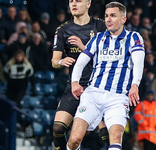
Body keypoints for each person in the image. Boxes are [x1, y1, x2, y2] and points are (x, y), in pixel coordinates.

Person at [67, 2, 145, 150]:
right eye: (106, 16)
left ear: (123, 19)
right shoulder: (98, 38)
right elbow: (80, 63)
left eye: (113, 16)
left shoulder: (134, 37)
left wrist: (135, 84)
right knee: (75, 139)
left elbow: (138, 61)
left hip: (118, 97)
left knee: (115, 137)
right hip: (93, 95)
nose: (108, 19)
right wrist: (74, 82)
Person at [51, 0, 108, 149]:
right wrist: (62, 61)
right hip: (75, 88)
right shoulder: (63, 29)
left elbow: (107, 57)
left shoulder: (100, 26)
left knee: (107, 134)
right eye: (71, 1)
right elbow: (54, 61)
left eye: (78, 1)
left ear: (88, 4)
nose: (73, 4)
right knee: (58, 129)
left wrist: (84, 47)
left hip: (98, 88)